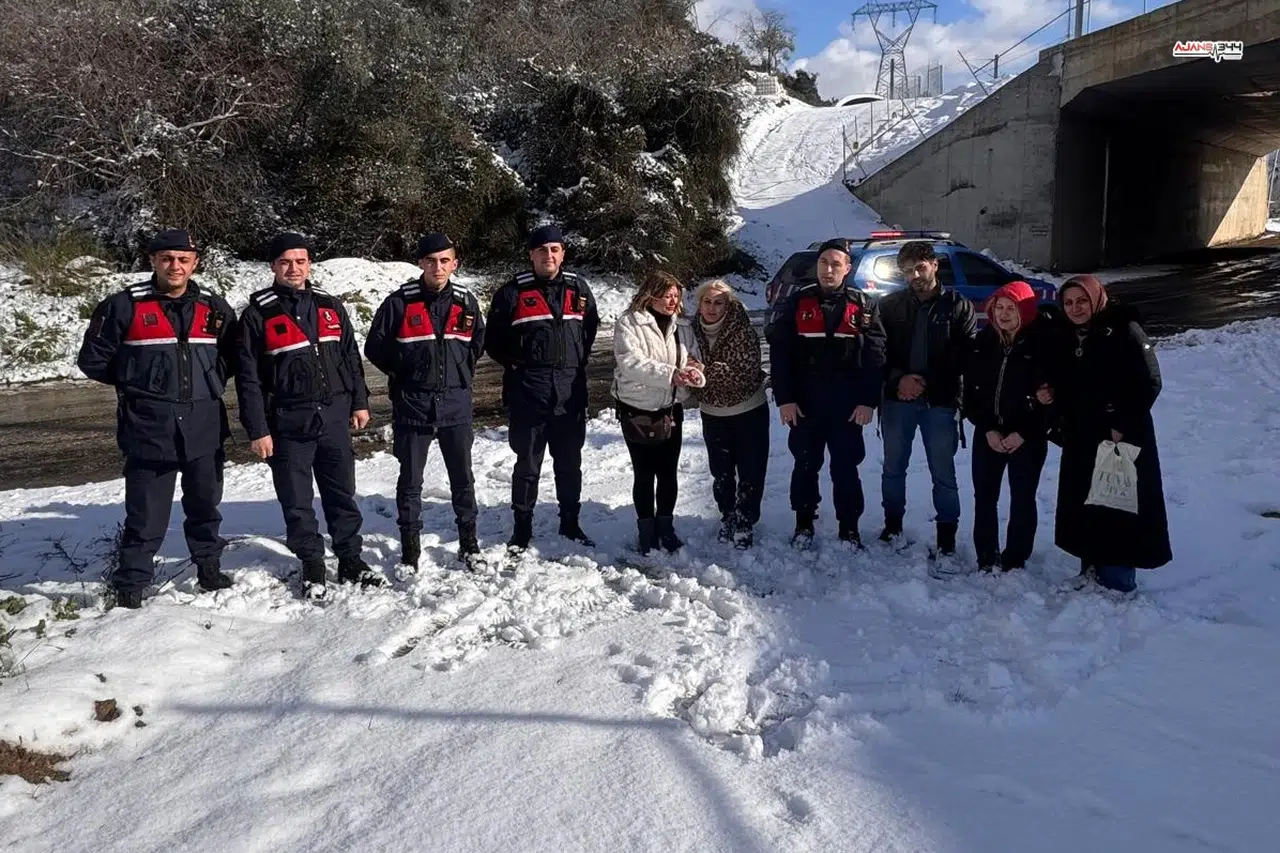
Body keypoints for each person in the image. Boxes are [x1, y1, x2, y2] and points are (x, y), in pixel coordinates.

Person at [76, 229, 238, 609]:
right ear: (153, 261)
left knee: (205, 507)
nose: (175, 266)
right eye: (167, 258)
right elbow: (93, 360)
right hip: (148, 428)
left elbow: (234, 356)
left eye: (183, 259)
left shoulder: (214, 308)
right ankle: (131, 584)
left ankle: (209, 569)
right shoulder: (123, 306)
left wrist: (209, 381)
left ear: (194, 263)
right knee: (146, 516)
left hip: (204, 426)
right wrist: (139, 383)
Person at [235, 232, 377, 598]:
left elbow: (349, 357)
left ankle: (350, 559)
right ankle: (312, 562)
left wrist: (360, 402)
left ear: (309, 263)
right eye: (285, 262)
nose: (293, 268)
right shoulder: (257, 315)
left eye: (300, 261)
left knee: (341, 494)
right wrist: (258, 429)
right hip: (288, 423)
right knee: (297, 500)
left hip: (333, 418)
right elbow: (248, 380)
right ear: (273, 267)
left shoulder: (330, 306)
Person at [1036, 275, 1172, 592]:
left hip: (1119, 437)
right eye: (1068, 302)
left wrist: (1122, 423)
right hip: (1081, 435)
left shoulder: (1125, 330)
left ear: (1097, 299)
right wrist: (1051, 401)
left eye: (1082, 301)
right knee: (1086, 501)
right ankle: (1090, 567)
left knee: (1118, 503)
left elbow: (1150, 380)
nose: (1075, 308)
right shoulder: (1067, 336)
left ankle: (1119, 577)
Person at [365, 233, 485, 570]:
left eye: (444, 260)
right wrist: (406, 372)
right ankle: (410, 550)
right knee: (410, 481)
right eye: (431, 260)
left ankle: (469, 543)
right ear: (420, 263)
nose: (438, 266)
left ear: (454, 263)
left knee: (463, 479)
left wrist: (458, 374)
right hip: (413, 405)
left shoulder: (466, 302)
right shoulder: (399, 303)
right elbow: (375, 347)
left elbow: (476, 344)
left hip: (455, 405)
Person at [484, 224, 600, 551]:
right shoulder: (512, 292)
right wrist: (521, 364)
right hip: (528, 395)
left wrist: (573, 361)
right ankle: (522, 529)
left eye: (554, 250)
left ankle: (570, 523)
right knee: (527, 465)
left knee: (569, 464)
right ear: (531, 255)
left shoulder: (579, 289)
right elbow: (493, 340)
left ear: (563, 253)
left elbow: (589, 329)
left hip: (570, 395)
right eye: (541, 250)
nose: (548, 256)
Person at [767, 239, 887, 549]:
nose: (829, 269)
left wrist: (868, 400)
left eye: (836, 264)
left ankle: (849, 528)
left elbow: (876, 356)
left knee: (845, 466)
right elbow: (781, 354)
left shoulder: (864, 304)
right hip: (806, 402)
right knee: (805, 464)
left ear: (848, 268)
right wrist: (785, 399)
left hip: (847, 404)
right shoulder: (797, 302)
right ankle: (804, 523)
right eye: (824, 263)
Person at [878, 240, 977, 562]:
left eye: (920, 268)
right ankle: (892, 527)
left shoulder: (958, 306)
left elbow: (964, 354)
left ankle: (946, 535)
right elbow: (878, 351)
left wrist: (926, 382)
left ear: (934, 265)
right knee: (893, 468)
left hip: (941, 401)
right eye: (907, 271)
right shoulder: (890, 306)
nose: (914, 276)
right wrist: (899, 380)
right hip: (898, 399)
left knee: (943, 473)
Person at [962, 281, 1050, 572]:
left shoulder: (1041, 344)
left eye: (1011, 308)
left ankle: (1016, 556)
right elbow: (971, 393)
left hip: (1027, 436)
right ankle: (986, 555)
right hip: (989, 433)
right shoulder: (984, 341)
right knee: (984, 497)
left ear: (1024, 310)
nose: (1003, 314)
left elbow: (1051, 400)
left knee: (1022, 497)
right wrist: (987, 427)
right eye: (999, 307)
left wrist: (1023, 433)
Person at [612, 272, 702, 555]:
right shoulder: (629, 323)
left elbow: (692, 356)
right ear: (650, 295)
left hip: (670, 409)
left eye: (676, 295)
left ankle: (666, 526)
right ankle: (646, 530)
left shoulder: (683, 326)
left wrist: (695, 371)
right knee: (644, 473)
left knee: (668, 472)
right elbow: (631, 363)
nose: (673, 301)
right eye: (667, 295)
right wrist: (671, 375)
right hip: (637, 408)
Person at [689, 279, 769, 549]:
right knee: (720, 470)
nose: (712, 308)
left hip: (748, 409)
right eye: (707, 302)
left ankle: (746, 520)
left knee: (751, 469)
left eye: (718, 302)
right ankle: (728, 516)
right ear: (699, 304)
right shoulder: (691, 331)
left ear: (728, 305)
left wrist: (701, 371)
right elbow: (680, 361)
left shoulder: (742, 329)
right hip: (711, 412)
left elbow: (743, 373)